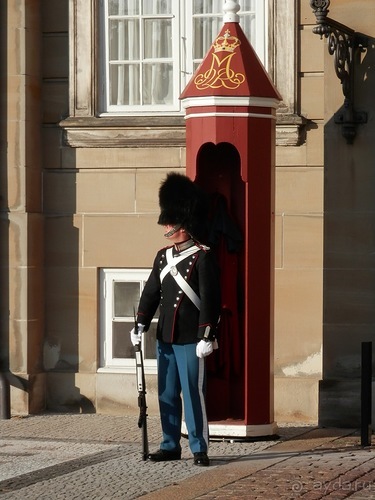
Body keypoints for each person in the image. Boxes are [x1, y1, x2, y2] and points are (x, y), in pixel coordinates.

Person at [130, 172, 221, 466]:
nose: (166, 225)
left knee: (193, 395)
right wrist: (140, 323)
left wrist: (207, 335)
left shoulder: (203, 257)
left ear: (184, 224)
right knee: (167, 394)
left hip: (191, 338)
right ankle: (170, 444)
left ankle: (199, 447)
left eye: (171, 221)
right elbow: (151, 293)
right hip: (166, 337)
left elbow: (210, 300)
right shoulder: (162, 257)